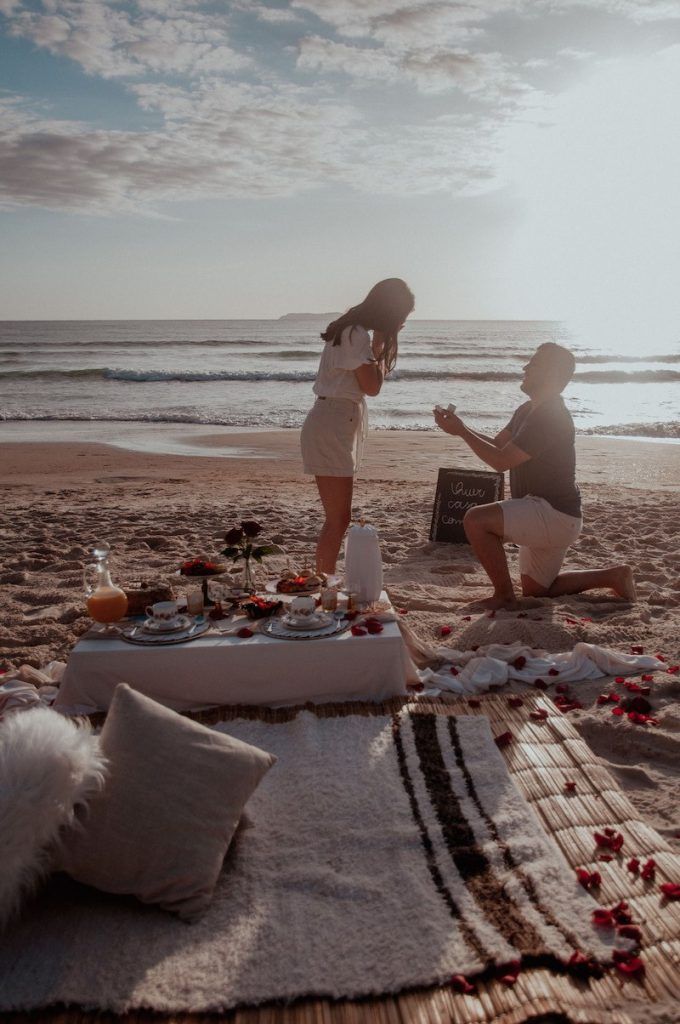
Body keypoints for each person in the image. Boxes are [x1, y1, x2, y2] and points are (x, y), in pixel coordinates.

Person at [433, 341, 636, 609]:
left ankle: (504, 596)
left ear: (550, 374)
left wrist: (462, 431)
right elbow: (499, 446)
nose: (525, 367)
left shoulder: (551, 415)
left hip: (552, 513)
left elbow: (500, 462)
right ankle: (613, 576)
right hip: (547, 513)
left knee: (475, 520)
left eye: (534, 363)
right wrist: (461, 429)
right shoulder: (527, 410)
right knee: (537, 591)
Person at [301, 278, 415, 574]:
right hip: (334, 422)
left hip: (333, 419)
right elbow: (372, 386)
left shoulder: (349, 330)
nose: (402, 323)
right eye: (402, 316)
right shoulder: (357, 335)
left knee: (337, 518)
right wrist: (379, 343)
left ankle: (323, 579)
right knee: (338, 519)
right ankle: (323, 581)